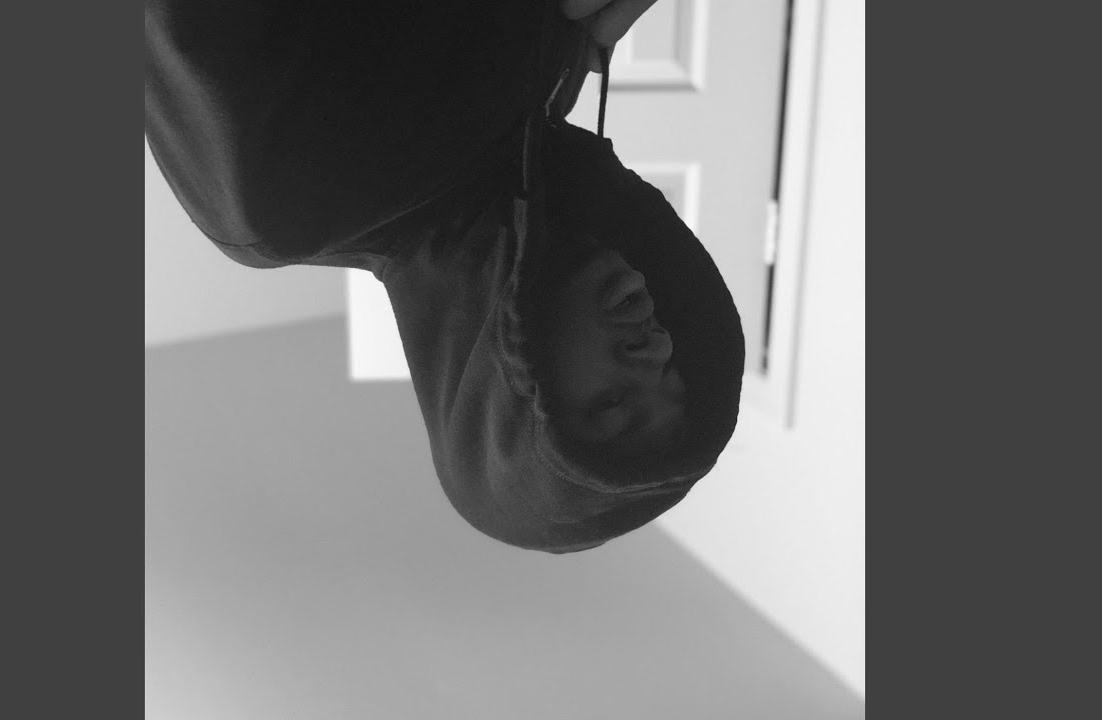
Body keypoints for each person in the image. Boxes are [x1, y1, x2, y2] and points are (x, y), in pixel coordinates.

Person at [144, 0, 744, 554]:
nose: (655, 349)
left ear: (509, 398)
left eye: (611, 401)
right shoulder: (548, 101)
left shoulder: (274, 203)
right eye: (672, 376)